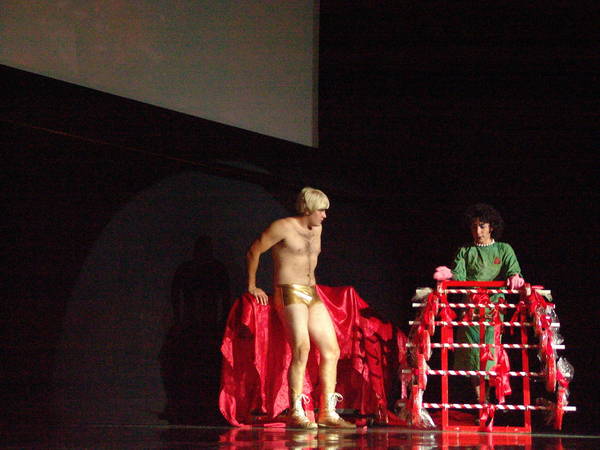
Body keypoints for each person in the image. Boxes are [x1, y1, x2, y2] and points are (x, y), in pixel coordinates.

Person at [246, 187, 355, 429]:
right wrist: (252, 286)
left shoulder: (318, 229)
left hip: (311, 292)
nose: (325, 215)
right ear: (308, 209)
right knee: (302, 347)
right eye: (321, 210)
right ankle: (296, 411)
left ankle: (327, 412)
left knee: (331, 350)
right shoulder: (282, 227)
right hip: (288, 290)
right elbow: (254, 251)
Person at [433, 203, 524, 403]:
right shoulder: (465, 250)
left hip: (493, 310)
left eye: (482, 226)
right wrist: (449, 274)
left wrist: (514, 276)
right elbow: (459, 276)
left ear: (491, 227)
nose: (478, 231)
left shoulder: (503, 249)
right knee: (472, 355)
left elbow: (513, 269)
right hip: (470, 310)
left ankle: (491, 399)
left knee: (490, 354)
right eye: (474, 226)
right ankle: (482, 401)